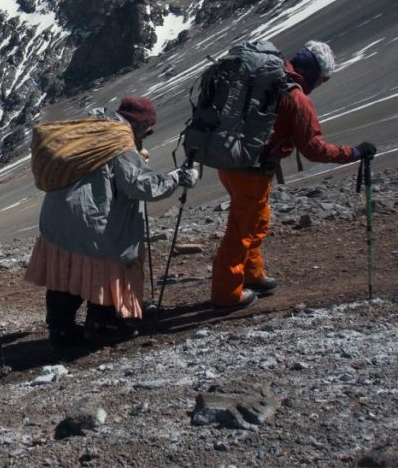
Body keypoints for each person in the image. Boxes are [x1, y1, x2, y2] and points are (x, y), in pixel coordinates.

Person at [211, 41, 376, 310]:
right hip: (252, 170)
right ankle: (226, 293)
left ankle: (252, 275)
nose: (319, 85)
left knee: (256, 221)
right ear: (313, 72)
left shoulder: (269, 80)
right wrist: (354, 152)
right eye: (321, 80)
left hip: (231, 161)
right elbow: (314, 148)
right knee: (242, 229)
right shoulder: (296, 97)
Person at [25, 97, 197, 347]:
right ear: (139, 126)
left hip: (56, 220)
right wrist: (176, 178)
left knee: (65, 274)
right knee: (103, 271)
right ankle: (102, 322)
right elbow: (142, 186)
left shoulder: (91, 130)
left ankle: (60, 328)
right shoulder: (119, 143)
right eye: (147, 131)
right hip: (92, 224)